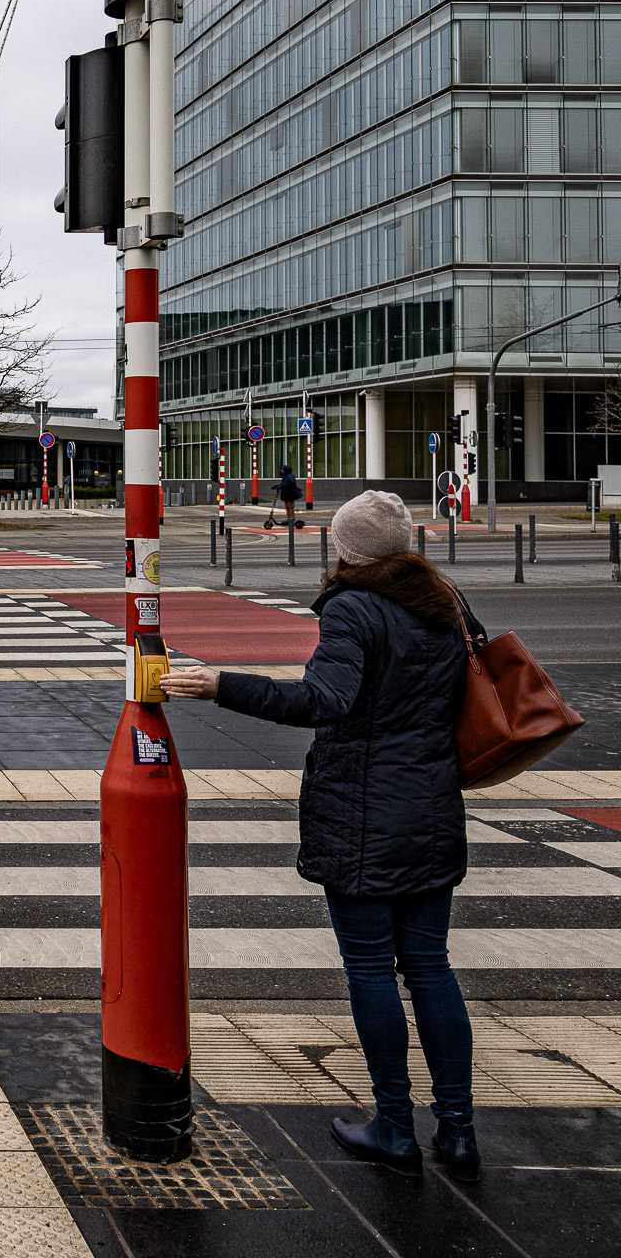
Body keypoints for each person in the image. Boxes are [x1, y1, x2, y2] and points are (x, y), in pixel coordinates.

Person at [160, 490, 477, 1183]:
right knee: (430, 967)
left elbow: (323, 701)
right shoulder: (445, 603)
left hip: (362, 814)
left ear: (346, 549)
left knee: (371, 970)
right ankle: (459, 1132)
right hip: (431, 809)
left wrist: (221, 685)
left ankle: (395, 1126)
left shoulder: (353, 608)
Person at [265, 463, 303, 528]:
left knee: (290, 507)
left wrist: (281, 486)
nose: (281, 471)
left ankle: (291, 519)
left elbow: (291, 483)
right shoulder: (286, 476)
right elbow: (284, 483)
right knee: (288, 507)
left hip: (290, 494)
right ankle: (290, 518)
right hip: (287, 495)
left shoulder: (290, 476)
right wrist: (277, 486)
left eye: (282, 469)